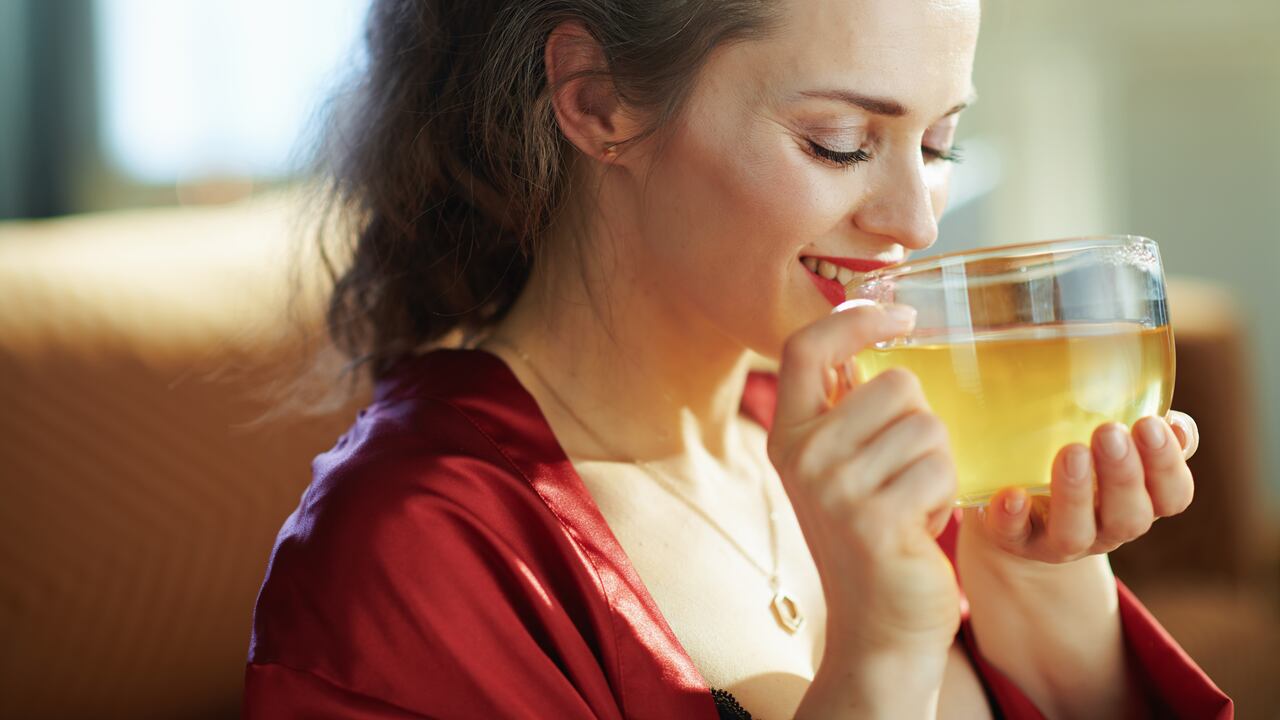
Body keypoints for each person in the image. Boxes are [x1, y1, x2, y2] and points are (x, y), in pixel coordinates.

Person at [245, 0, 1232, 717]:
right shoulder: (413, 556)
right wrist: (877, 659)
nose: (913, 221)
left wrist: (1039, 586)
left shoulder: (882, 433)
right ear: (596, 102)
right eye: (840, 142)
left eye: (937, 145)